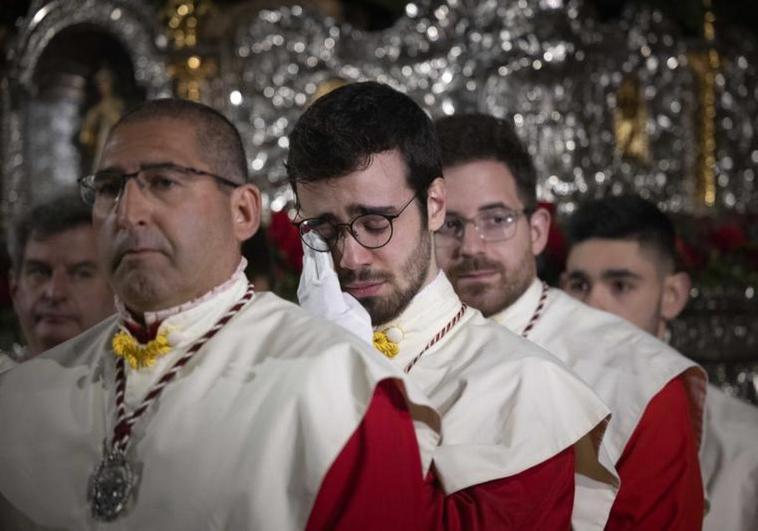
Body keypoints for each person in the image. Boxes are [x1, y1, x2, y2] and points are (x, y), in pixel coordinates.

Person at [0, 98, 446, 530]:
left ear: (243, 211)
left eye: (163, 182)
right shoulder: (21, 396)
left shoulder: (340, 387)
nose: (128, 213)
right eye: (110, 188)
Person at [292, 81, 616, 529]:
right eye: (324, 230)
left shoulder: (527, 389)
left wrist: (344, 379)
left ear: (435, 205)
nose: (351, 258)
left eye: (374, 223)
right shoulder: (281, 360)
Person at [435, 113, 706, 530]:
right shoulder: (384, 350)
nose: (472, 246)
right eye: (449, 225)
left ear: (537, 230)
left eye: (496, 220)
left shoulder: (641, 378)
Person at [563, 194, 758, 531]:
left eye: (621, 285)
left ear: (672, 296)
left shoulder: (744, 445)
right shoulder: (533, 410)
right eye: (579, 286)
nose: (592, 306)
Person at [2, 192, 115, 371]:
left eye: (80, 273)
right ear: (15, 289)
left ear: (117, 292)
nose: (54, 293)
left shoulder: (148, 392)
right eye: (39, 272)